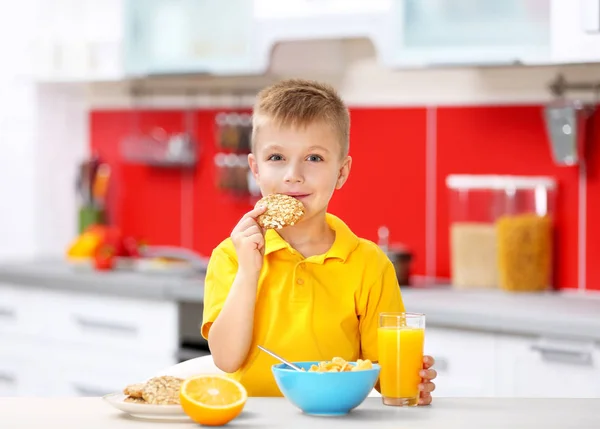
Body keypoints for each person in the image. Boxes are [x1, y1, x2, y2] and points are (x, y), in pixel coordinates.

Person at [201, 78, 437, 403]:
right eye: (276, 158)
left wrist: (413, 381)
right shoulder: (231, 257)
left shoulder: (369, 265)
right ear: (255, 169)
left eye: (313, 158)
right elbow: (226, 359)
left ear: (342, 172)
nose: (293, 175)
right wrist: (248, 271)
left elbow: (385, 374)